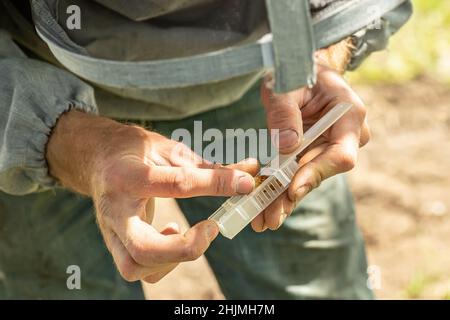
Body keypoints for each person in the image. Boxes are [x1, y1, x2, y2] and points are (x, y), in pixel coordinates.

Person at [0, 0, 412, 299]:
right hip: (33, 80)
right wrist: (67, 143)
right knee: (65, 286)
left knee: (313, 285)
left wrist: (313, 60)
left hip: (261, 80)